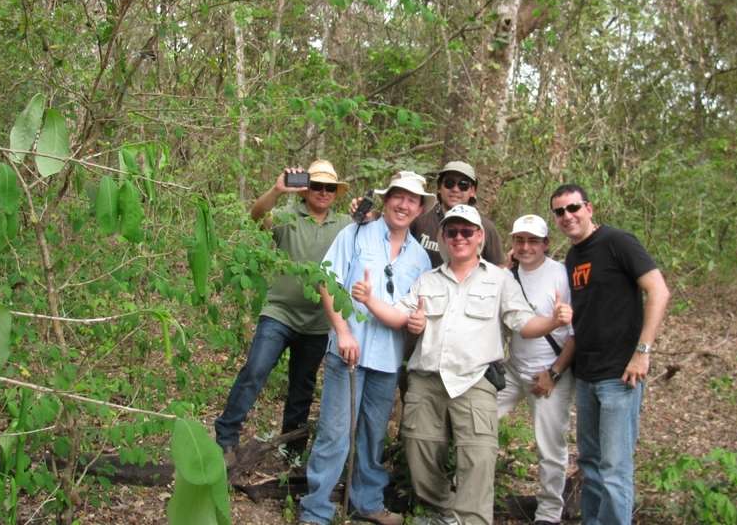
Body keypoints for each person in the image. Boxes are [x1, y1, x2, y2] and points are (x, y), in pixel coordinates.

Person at [351, 204, 573, 525]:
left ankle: (472, 520)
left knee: (478, 459)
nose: (459, 237)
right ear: (443, 236)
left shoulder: (500, 280)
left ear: (479, 236)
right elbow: (399, 315)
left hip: (475, 381)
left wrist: (552, 321)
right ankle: (444, 510)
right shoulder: (427, 280)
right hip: (427, 381)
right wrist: (370, 300)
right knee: (418, 450)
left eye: (467, 231)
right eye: (452, 231)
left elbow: (524, 324)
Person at [299, 171, 434, 525]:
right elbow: (327, 280)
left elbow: (414, 313)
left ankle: (367, 502)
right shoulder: (356, 233)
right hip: (348, 352)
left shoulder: (422, 259)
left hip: (388, 361)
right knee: (335, 432)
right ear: (386, 199)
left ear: (419, 209)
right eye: (398, 197)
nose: (403, 205)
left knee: (373, 436)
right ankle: (316, 511)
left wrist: (417, 324)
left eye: (412, 200)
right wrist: (342, 332)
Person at [214, 160, 353, 467]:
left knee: (301, 390)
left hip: (318, 323)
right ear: (305, 190)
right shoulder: (288, 216)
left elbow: (372, 235)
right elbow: (257, 217)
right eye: (316, 186)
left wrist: (367, 213)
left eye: (330, 187)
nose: (323, 192)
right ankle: (226, 439)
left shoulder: (345, 224)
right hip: (279, 313)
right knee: (255, 371)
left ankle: (291, 454)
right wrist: (277, 190)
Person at [549, 184, 670, 525]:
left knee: (615, 469)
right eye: (559, 212)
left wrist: (642, 352)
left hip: (621, 374)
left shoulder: (619, 242)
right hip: (587, 377)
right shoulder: (573, 256)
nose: (567, 216)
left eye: (573, 208)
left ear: (589, 207)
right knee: (590, 463)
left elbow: (659, 292)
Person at [498, 214, 575, 525]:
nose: (526, 247)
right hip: (513, 370)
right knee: (476, 419)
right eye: (520, 240)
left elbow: (575, 334)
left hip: (551, 373)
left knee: (550, 447)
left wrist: (554, 372)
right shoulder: (505, 275)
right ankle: (466, 493)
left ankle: (548, 513)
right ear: (513, 243)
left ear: (546, 244)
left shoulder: (562, 276)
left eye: (533, 241)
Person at [410, 161, 506, 268]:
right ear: (439, 187)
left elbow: (499, 269)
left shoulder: (485, 227)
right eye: (449, 183)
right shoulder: (420, 218)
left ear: (473, 191)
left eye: (463, 185)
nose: (455, 189)